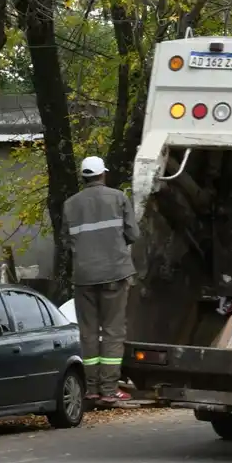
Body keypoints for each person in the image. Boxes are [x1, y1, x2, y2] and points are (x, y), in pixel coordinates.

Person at [63, 156, 140, 406]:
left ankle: (92, 389)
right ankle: (109, 389)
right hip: (115, 274)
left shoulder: (70, 204)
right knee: (112, 332)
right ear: (102, 174)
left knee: (88, 332)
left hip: (84, 277)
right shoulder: (118, 198)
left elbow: (66, 241)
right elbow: (133, 234)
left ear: (84, 177)